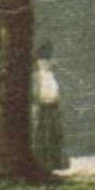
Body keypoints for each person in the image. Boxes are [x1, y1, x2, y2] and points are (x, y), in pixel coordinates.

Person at [30, 42, 69, 172]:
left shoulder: (53, 76)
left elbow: (57, 93)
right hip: (41, 108)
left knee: (54, 135)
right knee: (41, 136)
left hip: (53, 108)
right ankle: (41, 162)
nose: (48, 63)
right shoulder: (37, 77)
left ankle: (54, 162)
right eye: (44, 62)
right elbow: (36, 93)